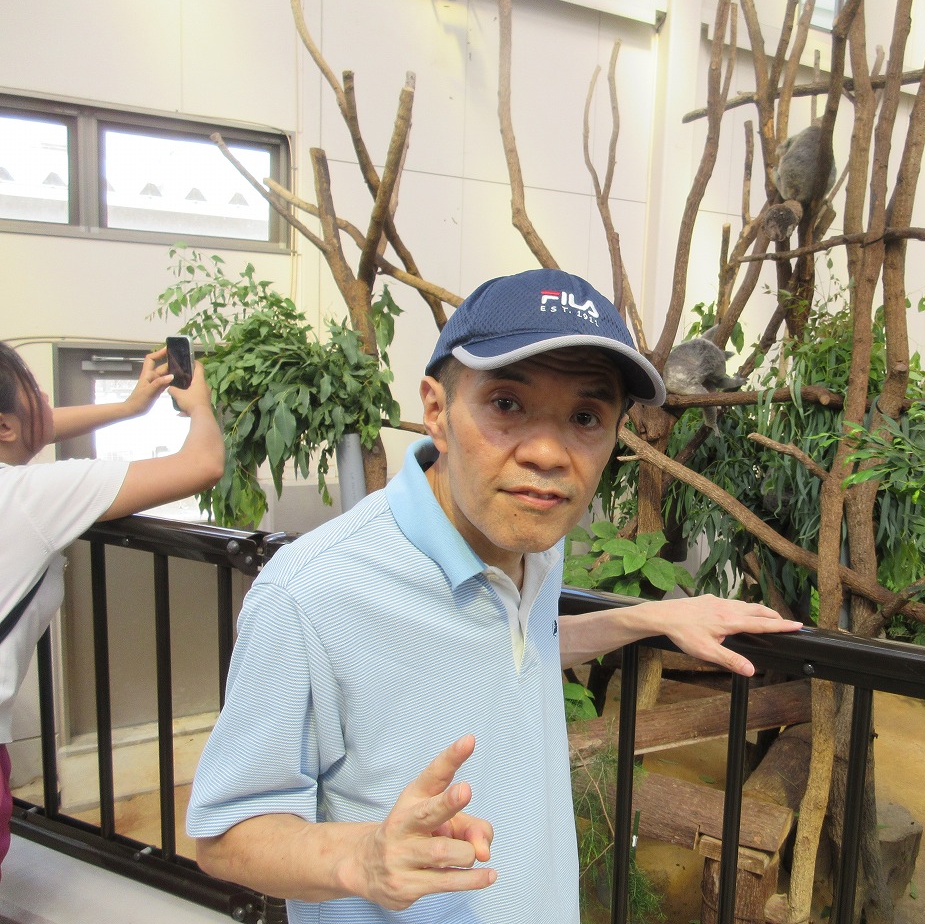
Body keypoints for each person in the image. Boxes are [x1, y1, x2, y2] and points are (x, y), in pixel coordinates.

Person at [187, 268, 802, 923]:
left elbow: (514, 650)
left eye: (586, 417)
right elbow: (225, 835)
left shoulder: (535, 546)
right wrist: (361, 859)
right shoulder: (310, 594)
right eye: (507, 404)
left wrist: (649, 617)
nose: (548, 453)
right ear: (437, 411)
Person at [0, 342, 225, 873]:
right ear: (5, 426)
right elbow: (202, 464)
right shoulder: (25, 497)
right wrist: (199, 407)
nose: (47, 399)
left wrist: (130, 407)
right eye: (34, 392)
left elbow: (34, 427)